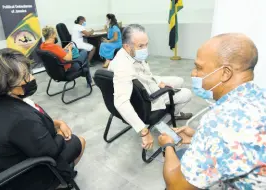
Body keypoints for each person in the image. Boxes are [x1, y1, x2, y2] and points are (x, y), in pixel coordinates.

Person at [158, 33, 266, 189]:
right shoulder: (259, 95)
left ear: (225, 73)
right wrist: (198, 137)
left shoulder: (219, 122)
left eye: (199, 67)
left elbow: (178, 186)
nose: (193, 73)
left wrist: (167, 145)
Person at [0, 48, 86, 187]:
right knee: (79, 141)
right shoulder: (20, 119)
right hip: (21, 178)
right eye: (26, 75)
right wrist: (59, 132)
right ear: (9, 85)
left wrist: (57, 123)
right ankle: (60, 181)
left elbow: (30, 132)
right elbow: (51, 150)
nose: (32, 78)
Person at [108, 24, 192, 150]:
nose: (145, 49)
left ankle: (174, 112)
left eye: (146, 44)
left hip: (147, 83)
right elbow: (121, 102)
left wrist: (158, 82)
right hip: (147, 98)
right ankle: (169, 117)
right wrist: (144, 131)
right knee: (187, 93)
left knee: (179, 80)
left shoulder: (129, 53)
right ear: (127, 46)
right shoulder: (123, 68)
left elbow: (146, 74)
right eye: (141, 46)